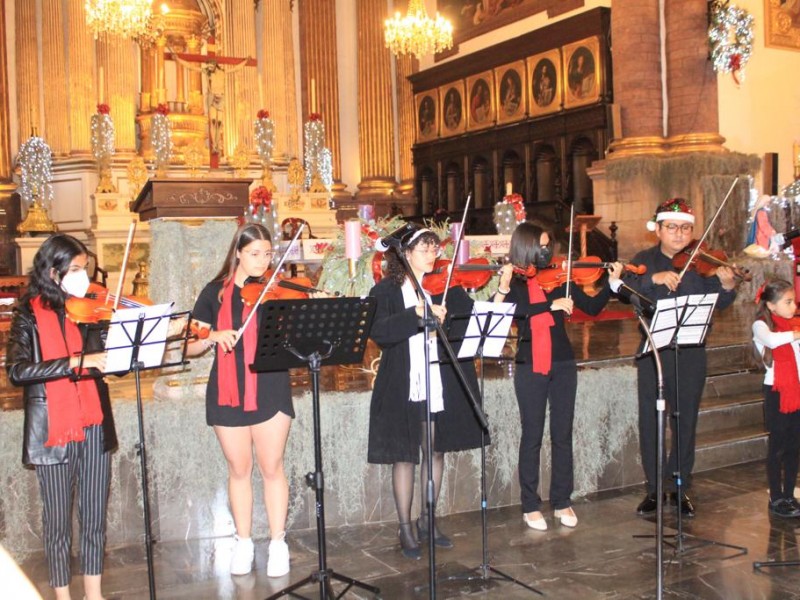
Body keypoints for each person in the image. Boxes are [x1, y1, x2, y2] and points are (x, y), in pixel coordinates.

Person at [188, 223, 304, 577]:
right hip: (228, 387)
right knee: (239, 470)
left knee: (272, 467)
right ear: (237, 252)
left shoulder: (279, 289)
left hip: (269, 384)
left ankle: (278, 542)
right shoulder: (214, 293)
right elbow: (189, 346)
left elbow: (299, 336)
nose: (263, 260)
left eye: (268, 254)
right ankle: (243, 541)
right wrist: (212, 337)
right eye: (255, 253)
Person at [6, 234, 117, 600]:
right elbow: (18, 371)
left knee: (94, 518)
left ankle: (94, 594)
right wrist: (72, 363)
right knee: (57, 524)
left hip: (94, 422)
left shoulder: (87, 309)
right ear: (52, 272)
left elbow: (108, 364)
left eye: (85, 269)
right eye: (75, 270)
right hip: (54, 426)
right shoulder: (27, 314)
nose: (83, 277)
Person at [495, 222, 622, 530]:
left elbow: (591, 307)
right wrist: (541, 302)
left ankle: (562, 500)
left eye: (548, 245)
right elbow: (508, 313)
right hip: (530, 363)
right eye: (541, 246)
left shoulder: (560, 277)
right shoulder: (514, 282)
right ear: (525, 247)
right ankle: (530, 504)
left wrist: (613, 284)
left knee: (562, 434)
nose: (547, 251)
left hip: (563, 361)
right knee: (533, 435)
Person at [367, 226, 486, 559]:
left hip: (438, 377)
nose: (432, 254)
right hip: (403, 381)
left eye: (435, 248)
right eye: (425, 249)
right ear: (405, 254)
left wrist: (501, 291)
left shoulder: (444, 287)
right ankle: (405, 527)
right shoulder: (386, 291)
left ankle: (428, 521)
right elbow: (380, 332)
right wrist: (415, 314)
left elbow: (472, 320)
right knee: (405, 454)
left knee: (435, 450)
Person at [623, 198, 738, 517]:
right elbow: (625, 291)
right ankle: (654, 488)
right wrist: (652, 280)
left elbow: (719, 302)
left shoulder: (701, 262)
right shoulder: (644, 260)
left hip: (690, 352)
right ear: (658, 229)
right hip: (654, 354)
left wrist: (727, 287)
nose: (679, 234)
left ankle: (679, 487)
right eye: (672, 227)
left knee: (685, 421)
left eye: (685, 228)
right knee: (652, 422)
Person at [752, 280, 800, 518]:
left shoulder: (793, 327)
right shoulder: (761, 326)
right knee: (777, 447)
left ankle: (790, 494)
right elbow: (771, 341)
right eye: (788, 302)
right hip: (776, 392)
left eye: (794, 301)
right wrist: (795, 333)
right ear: (771, 305)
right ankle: (776, 496)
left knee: (794, 447)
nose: (794, 306)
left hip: (796, 391)